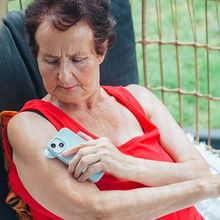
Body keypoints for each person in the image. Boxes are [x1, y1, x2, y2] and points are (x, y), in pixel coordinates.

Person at [2, 0, 220, 219]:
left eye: (78, 60)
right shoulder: (30, 126)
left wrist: (126, 165)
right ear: (37, 56)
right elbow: (95, 212)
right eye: (51, 61)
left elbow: (199, 171)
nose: (64, 75)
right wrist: (204, 188)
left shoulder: (139, 99)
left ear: (101, 50)